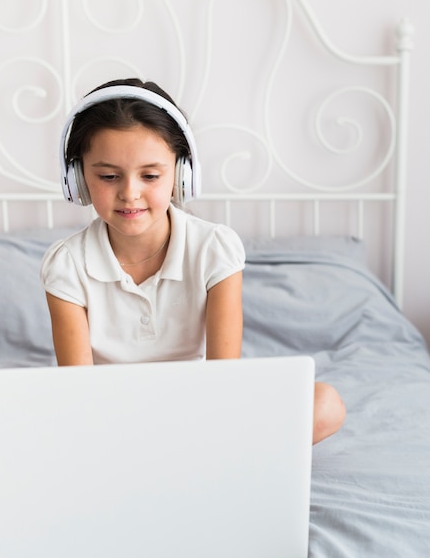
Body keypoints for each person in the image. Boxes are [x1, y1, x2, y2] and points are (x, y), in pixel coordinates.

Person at [39, 77, 345, 445]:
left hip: (203, 411)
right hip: (111, 420)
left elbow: (221, 380)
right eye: (108, 176)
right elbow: (79, 394)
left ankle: (191, 457)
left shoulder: (214, 249)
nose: (130, 193)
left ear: (181, 176)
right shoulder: (66, 265)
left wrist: (199, 427)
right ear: (78, 179)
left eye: (150, 175)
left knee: (325, 404)